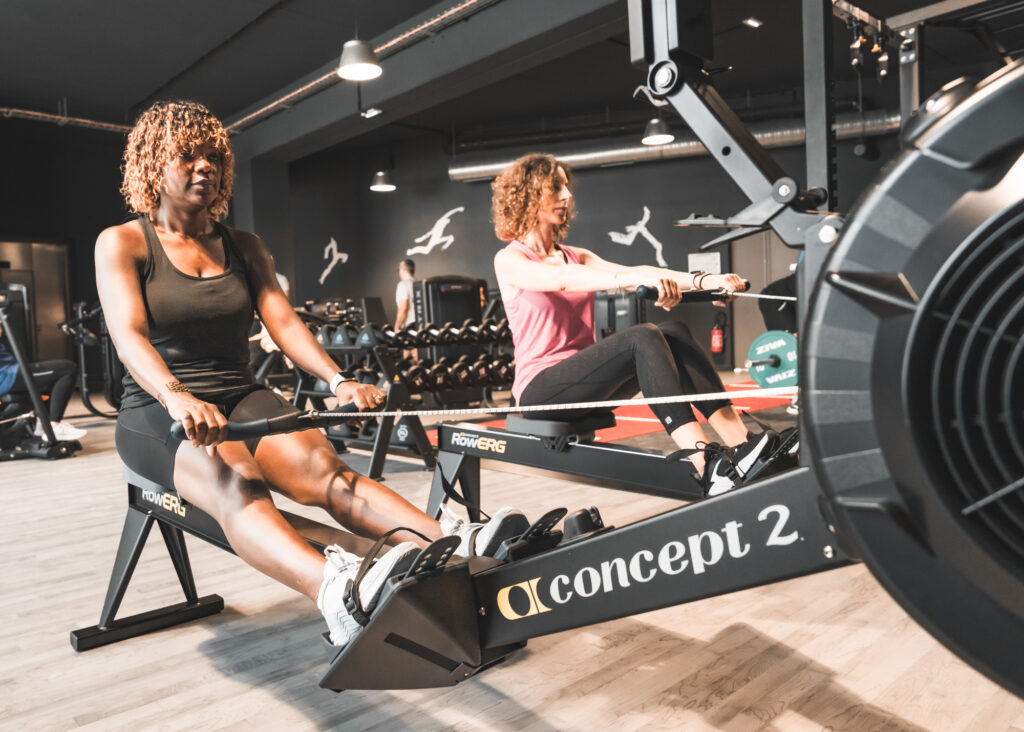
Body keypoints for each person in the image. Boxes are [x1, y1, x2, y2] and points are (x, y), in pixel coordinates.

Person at [96, 100, 526, 648]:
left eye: (213, 157)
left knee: (328, 473)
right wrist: (177, 396)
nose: (204, 166)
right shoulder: (124, 242)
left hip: (239, 393)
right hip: (156, 410)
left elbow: (284, 323)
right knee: (237, 484)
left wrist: (338, 379)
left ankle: (456, 543)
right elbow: (127, 334)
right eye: (187, 155)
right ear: (155, 164)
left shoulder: (243, 247)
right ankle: (335, 591)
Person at [491, 153, 774, 496]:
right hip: (541, 391)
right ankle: (706, 464)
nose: (567, 196)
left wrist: (705, 281)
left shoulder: (575, 254)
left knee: (673, 332)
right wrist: (623, 282)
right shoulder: (510, 259)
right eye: (555, 187)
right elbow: (563, 280)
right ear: (529, 194)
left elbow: (639, 271)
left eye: (566, 187)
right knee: (642, 336)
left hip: (588, 386)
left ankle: (741, 445)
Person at [0, 321, 87, 442]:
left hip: (10, 370)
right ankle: (54, 426)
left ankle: (43, 425)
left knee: (53, 374)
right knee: (67, 369)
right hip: (6, 376)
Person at [394, 258, 416, 330]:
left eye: (399, 270)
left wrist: (397, 327)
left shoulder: (403, 284)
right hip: (419, 326)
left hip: (409, 327)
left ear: (403, 270)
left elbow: (404, 307)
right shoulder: (417, 283)